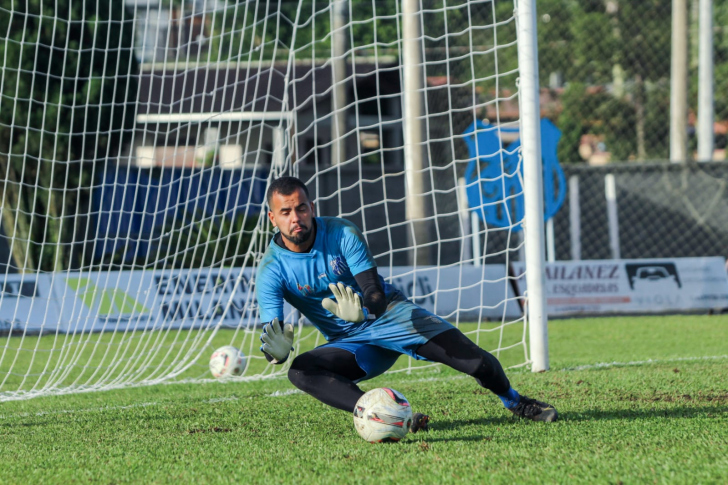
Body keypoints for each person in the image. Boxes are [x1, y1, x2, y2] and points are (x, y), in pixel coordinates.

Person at [256, 176, 557, 431]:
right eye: (285, 212)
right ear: (273, 217)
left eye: (301, 208)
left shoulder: (340, 232)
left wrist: (363, 311)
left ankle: (516, 401)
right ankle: (382, 414)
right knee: (300, 371)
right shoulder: (271, 269)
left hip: (390, 315)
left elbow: (373, 290)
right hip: (352, 344)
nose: (295, 218)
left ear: (312, 208)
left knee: (475, 361)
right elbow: (273, 332)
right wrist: (276, 355)